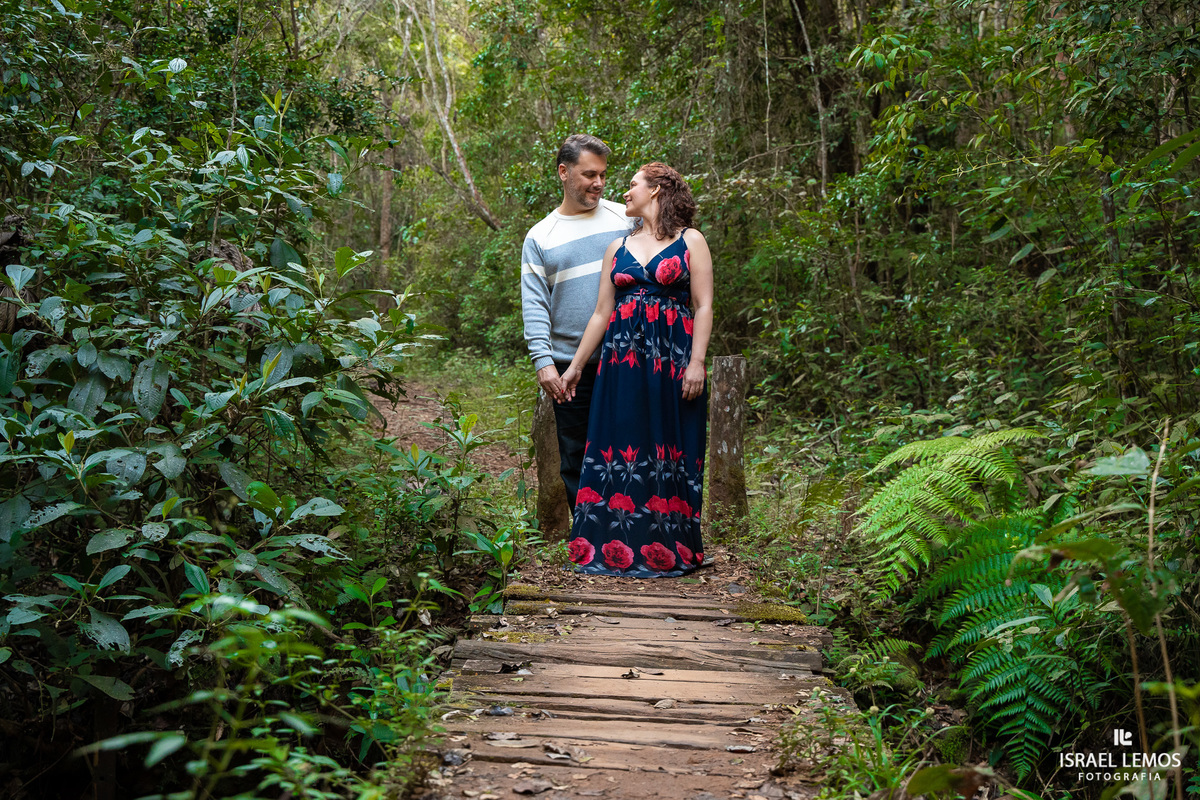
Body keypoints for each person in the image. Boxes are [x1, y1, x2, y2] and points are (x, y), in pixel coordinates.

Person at [559, 163, 713, 576]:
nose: (624, 193)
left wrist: (697, 362)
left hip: (672, 361)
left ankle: (670, 544)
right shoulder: (616, 247)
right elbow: (599, 314)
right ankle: (612, 547)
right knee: (621, 443)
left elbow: (704, 306)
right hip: (621, 364)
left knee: (669, 446)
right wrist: (575, 367)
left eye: (632, 186)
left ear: (658, 190)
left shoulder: (691, 241)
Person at [521, 135, 635, 508]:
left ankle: (633, 535)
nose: (599, 183)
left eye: (602, 174)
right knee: (578, 456)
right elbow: (535, 304)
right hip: (570, 363)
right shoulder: (541, 236)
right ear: (563, 172)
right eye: (589, 174)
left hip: (627, 357)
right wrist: (543, 362)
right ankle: (589, 540)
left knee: (631, 450)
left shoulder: (625, 219)